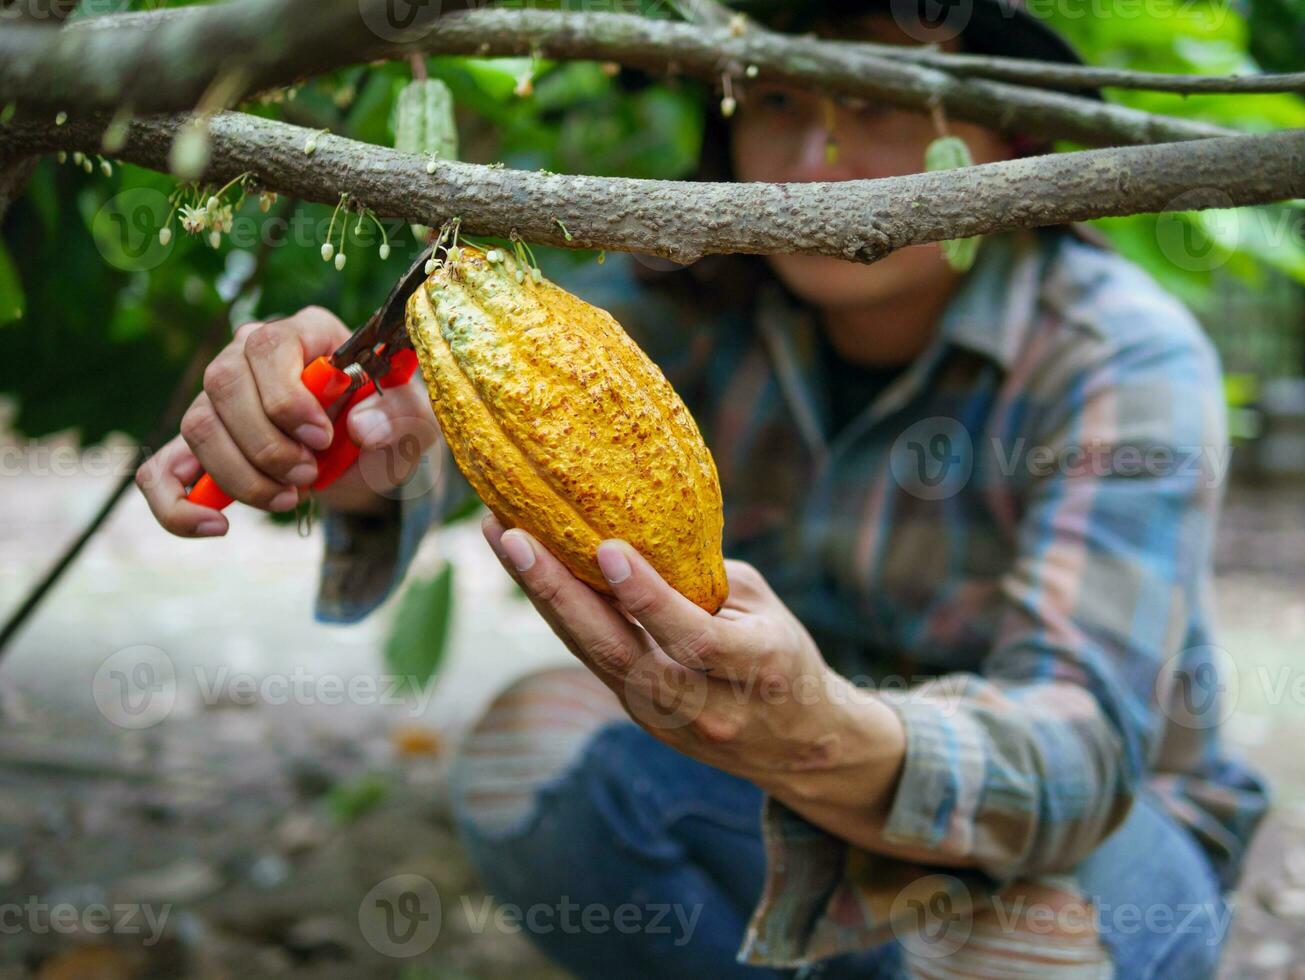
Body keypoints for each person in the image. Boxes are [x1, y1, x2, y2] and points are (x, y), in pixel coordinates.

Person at [137, 1, 1267, 975]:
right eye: (779, 100)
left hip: (1074, 827)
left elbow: (1085, 750)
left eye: (878, 102)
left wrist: (826, 731)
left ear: (1001, 137)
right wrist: (338, 442)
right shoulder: (693, 296)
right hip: (766, 778)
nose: (820, 148)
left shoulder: (1118, 353)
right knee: (533, 757)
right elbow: (479, 414)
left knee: (1046, 949)